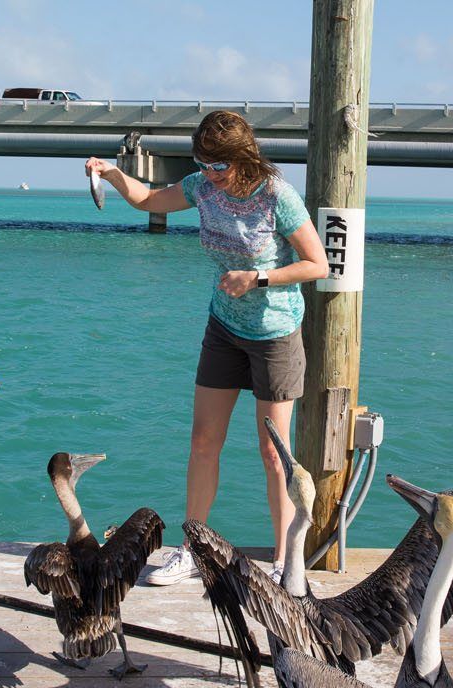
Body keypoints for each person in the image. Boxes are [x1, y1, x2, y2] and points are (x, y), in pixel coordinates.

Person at [85, 110, 329, 585]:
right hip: (223, 327)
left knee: (273, 453)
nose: (210, 174)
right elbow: (149, 198)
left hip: (275, 335)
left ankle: (284, 562)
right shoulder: (201, 186)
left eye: (218, 166)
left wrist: (258, 277)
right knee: (202, 442)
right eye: (203, 164)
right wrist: (113, 173)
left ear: (242, 158)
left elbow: (316, 263)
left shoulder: (276, 196)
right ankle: (191, 548)